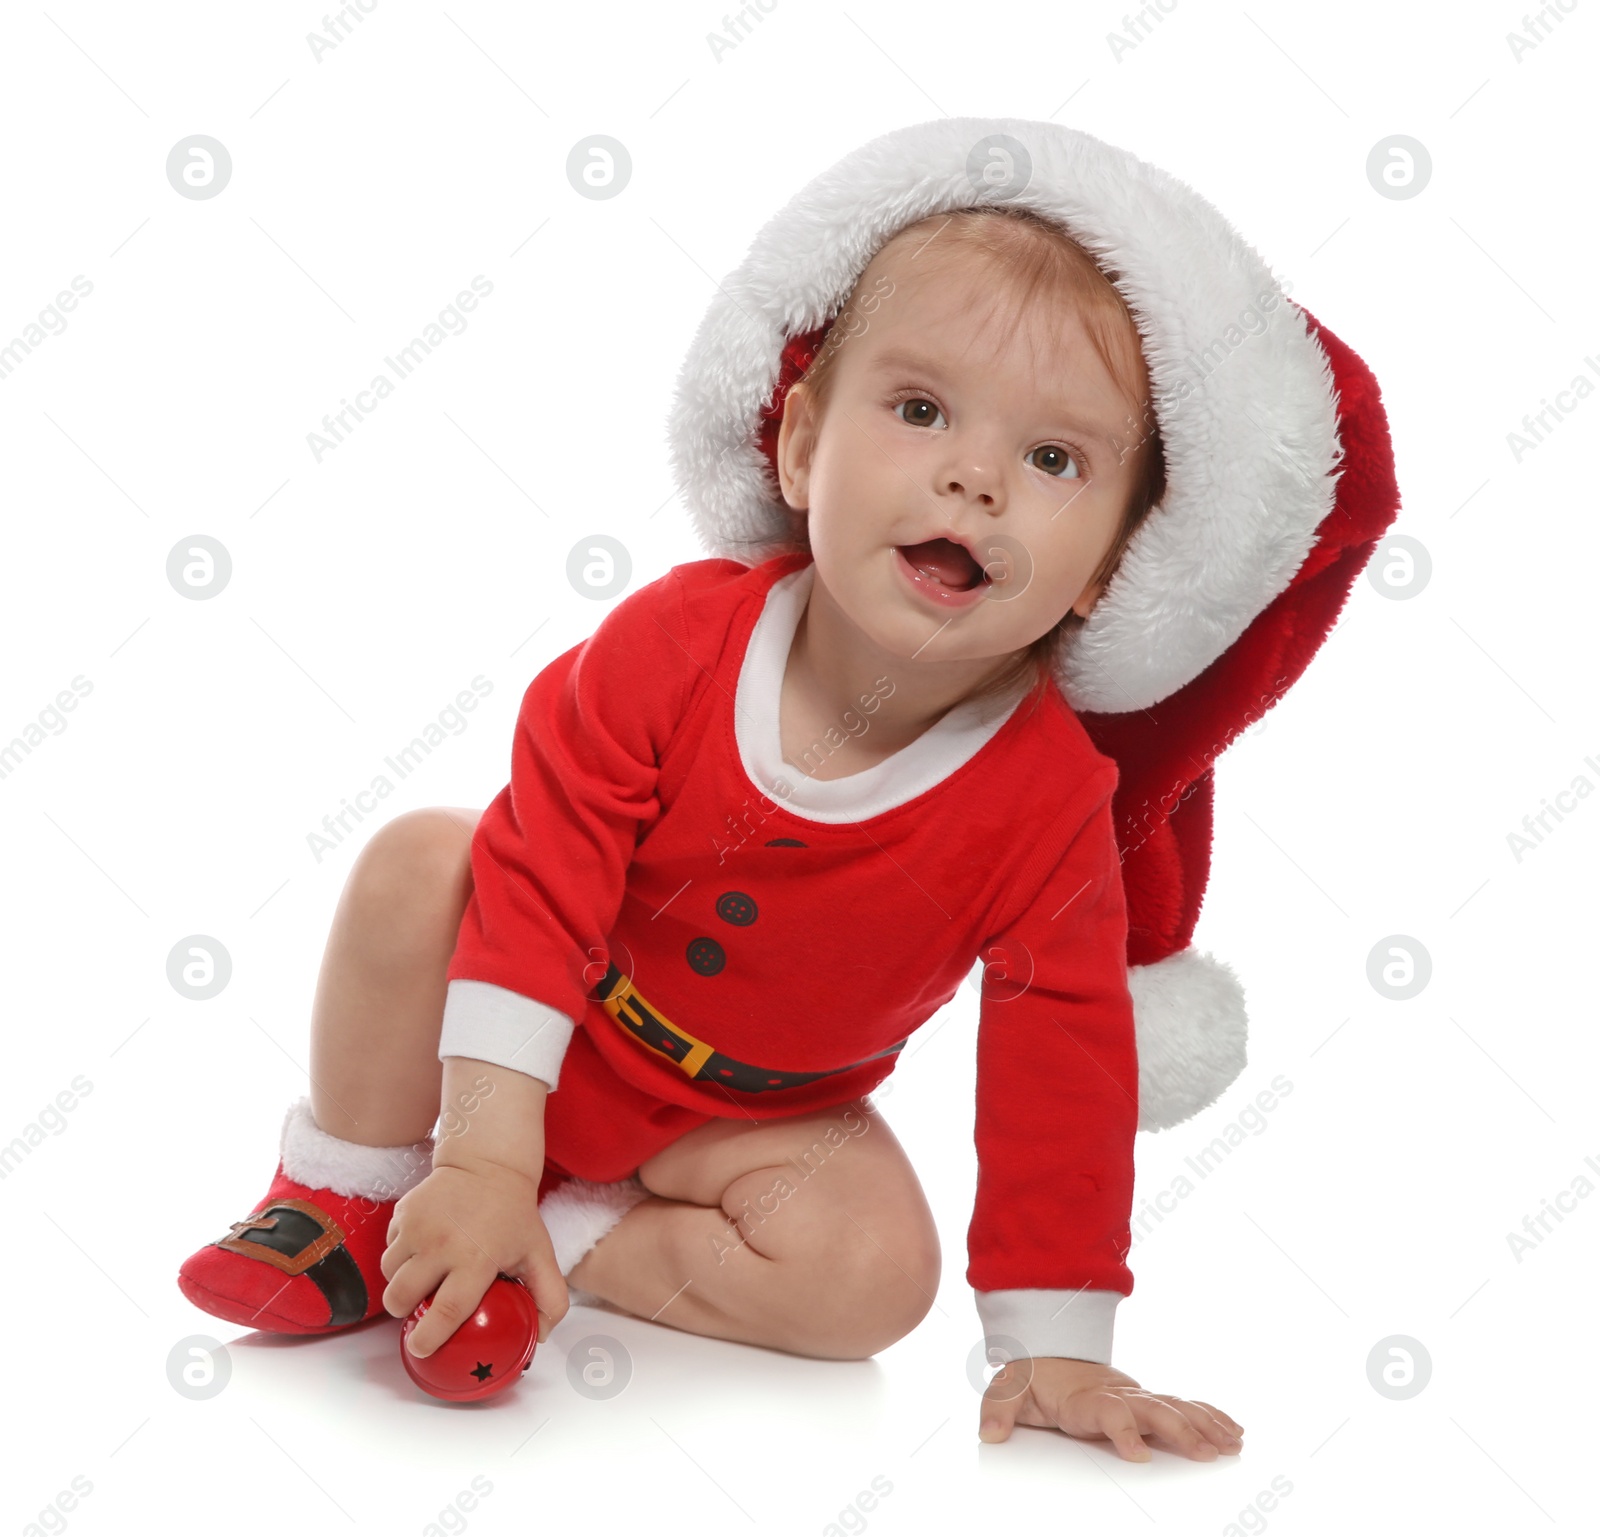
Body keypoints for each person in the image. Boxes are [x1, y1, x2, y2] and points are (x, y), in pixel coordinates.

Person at [178, 118, 1398, 1462]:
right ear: (802, 444)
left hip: (758, 1116)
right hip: (553, 1003)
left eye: (1055, 461)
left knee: (877, 1270)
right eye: (921, 408)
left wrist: (1058, 1345)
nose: (974, 475)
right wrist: (474, 1147)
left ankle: (567, 1242)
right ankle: (351, 1185)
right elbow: (541, 875)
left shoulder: (1050, 802)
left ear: (1110, 568)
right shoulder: (678, 642)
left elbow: (1061, 1062)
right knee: (426, 861)